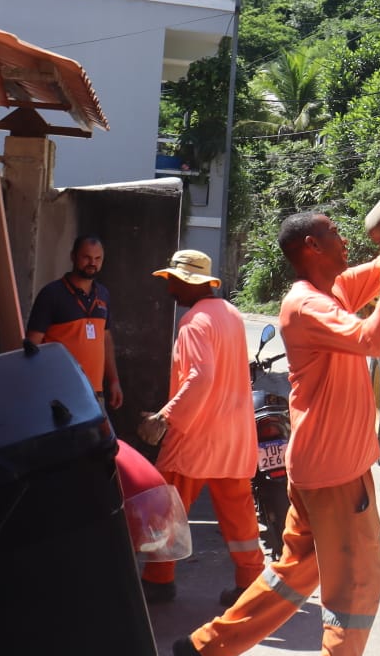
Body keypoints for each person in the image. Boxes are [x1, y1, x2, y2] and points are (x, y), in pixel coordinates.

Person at [172, 214, 380, 656]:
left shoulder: (332, 293)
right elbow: (377, 340)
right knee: (356, 591)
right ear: (312, 247)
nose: (345, 240)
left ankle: (204, 651)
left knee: (290, 577)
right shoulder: (307, 305)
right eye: (334, 235)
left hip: (320, 471)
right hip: (336, 478)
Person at [136, 249, 262, 607]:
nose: (170, 288)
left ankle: (159, 582)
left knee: (166, 508)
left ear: (190, 284)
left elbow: (201, 377)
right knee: (239, 515)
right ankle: (251, 583)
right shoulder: (232, 315)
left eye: (174, 281)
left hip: (195, 438)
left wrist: (165, 417)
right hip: (233, 436)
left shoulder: (194, 321)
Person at [26, 234, 123, 410]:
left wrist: (114, 380)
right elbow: (32, 346)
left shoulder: (103, 294)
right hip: (60, 394)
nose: (92, 263)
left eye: (98, 258)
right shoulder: (51, 294)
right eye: (86, 257)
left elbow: (106, 340)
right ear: (73, 257)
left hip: (95, 394)